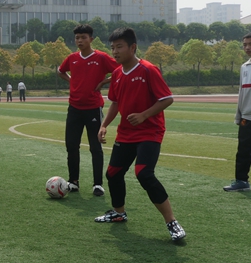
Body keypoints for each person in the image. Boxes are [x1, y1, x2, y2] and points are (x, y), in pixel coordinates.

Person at [96, 28, 185, 241]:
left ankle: (171, 222)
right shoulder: (117, 74)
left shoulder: (148, 70)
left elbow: (167, 99)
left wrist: (145, 115)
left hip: (150, 131)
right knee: (113, 173)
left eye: (119, 47)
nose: (115, 52)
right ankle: (119, 213)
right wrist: (104, 125)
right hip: (126, 134)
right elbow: (116, 103)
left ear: (132, 47)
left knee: (144, 174)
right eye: (112, 48)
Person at [58, 24, 118, 196]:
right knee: (71, 145)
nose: (80, 40)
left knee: (95, 147)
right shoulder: (72, 58)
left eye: (83, 37)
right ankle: (73, 181)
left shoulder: (101, 57)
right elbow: (60, 71)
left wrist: (103, 83)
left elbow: (119, 70)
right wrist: (72, 81)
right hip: (74, 108)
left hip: (93, 108)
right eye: (77, 38)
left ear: (91, 39)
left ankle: (97, 184)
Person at [224, 32, 251, 192]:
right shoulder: (244, 67)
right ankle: (241, 181)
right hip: (247, 118)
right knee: (243, 151)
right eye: (245, 44)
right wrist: (239, 115)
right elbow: (241, 92)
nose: (247, 47)